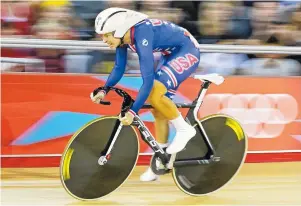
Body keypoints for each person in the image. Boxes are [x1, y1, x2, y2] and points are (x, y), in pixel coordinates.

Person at [90, 7, 200, 181]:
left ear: (119, 30)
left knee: (155, 92)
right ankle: (161, 162)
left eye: (106, 35)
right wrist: (104, 89)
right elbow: (118, 68)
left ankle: (184, 129)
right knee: (158, 109)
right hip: (170, 53)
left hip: (187, 50)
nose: (104, 40)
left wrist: (133, 111)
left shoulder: (142, 34)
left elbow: (147, 81)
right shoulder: (124, 37)